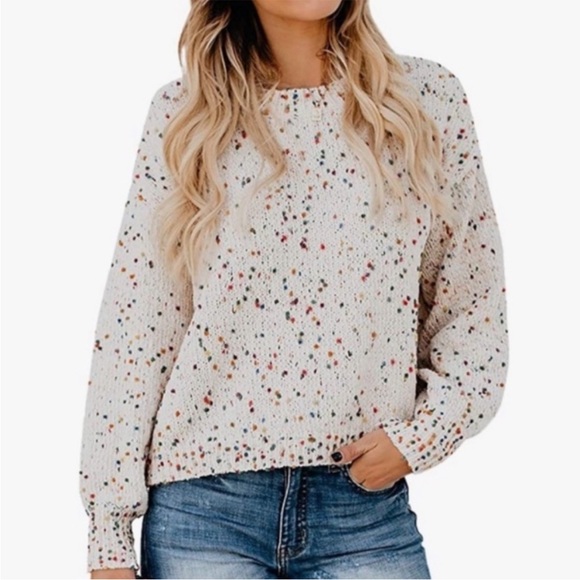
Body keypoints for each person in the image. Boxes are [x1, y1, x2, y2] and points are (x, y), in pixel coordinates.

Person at [78, 0, 509, 578]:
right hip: (204, 510)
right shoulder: (184, 116)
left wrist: (426, 435)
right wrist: (108, 538)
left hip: (363, 509)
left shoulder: (424, 100)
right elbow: (137, 325)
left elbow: (472, 304)